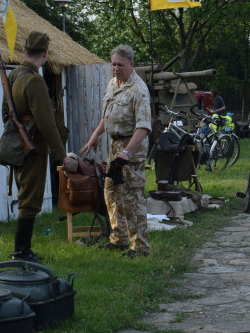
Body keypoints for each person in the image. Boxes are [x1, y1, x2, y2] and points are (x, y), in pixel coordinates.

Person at [81, 45, 152, 257]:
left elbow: (144, 127)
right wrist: (95, 135)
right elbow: (108, 116)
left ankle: (139, 247)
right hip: (114, 147)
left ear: (131, 64)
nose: (115, 68)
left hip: (132, 149)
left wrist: (127, 154)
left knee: (131, 197)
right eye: (113, 64)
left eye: (120, 65)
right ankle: (118, 238)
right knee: (110, 193)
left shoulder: (138, 90)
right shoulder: (113, 84)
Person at [8, 31, 67, 262]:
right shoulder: (34, 80)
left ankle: (23, 250)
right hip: (33, 145)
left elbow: (7, 112)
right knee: (30, 199)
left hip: (20, 143)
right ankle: (22, 252)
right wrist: (61, 154)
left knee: (26, 194)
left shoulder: (14, 75)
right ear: (45, 54)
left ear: (24, 51)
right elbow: (47, 123)